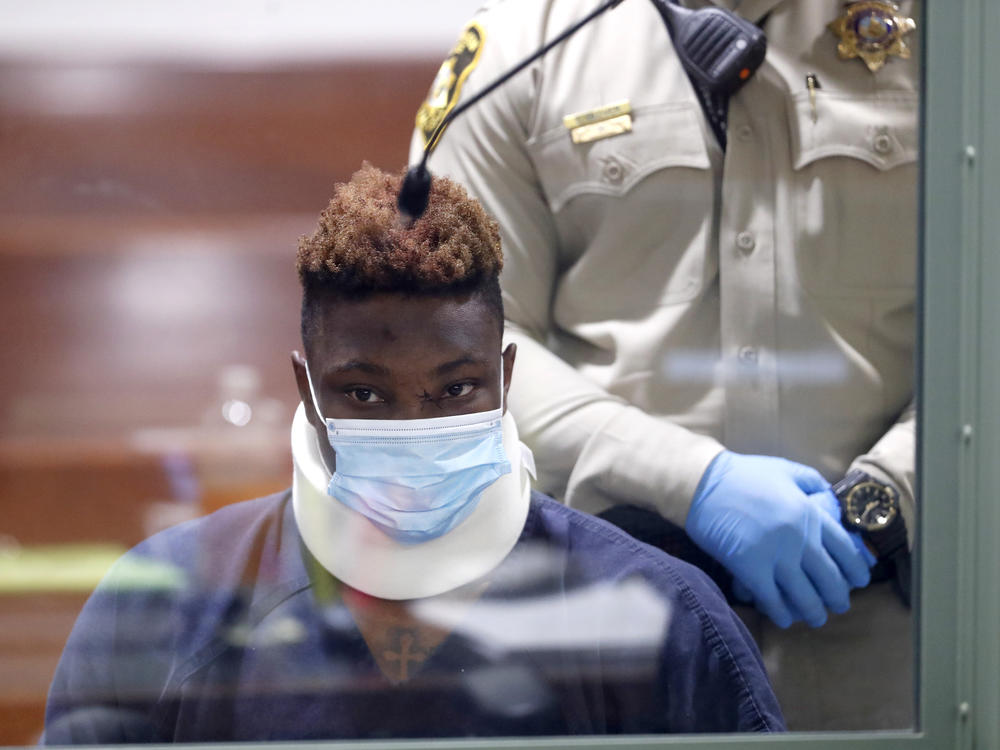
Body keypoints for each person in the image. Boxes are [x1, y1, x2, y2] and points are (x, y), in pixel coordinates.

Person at [43, 165, 785, 743]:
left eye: (456, 389)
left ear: (505, 379)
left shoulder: (661, 617)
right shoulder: (160, 609)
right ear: (307, 392)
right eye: (364, 395)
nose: (412, 423)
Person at [411, 0, 918, 730]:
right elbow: (452, 343)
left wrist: (893, 494)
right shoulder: (526, 43)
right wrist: (692, 482)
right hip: (615, 639)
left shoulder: (953, 40)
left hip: (899, 641)